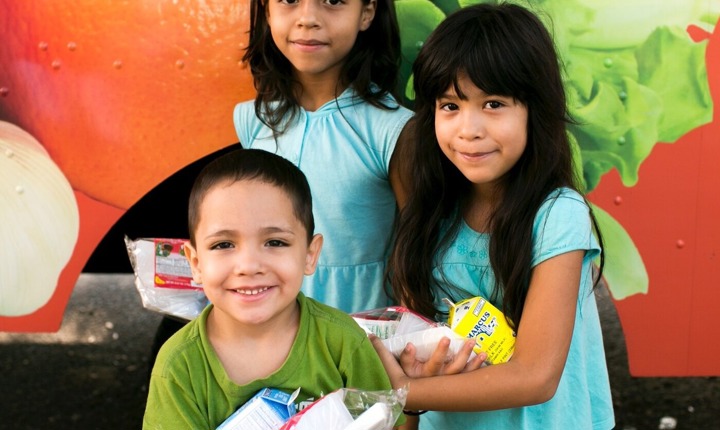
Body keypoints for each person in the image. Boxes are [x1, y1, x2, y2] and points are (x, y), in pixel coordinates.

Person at [370, 3, 615, 429]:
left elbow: (535, 377)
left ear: (534, 111)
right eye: (450, 105)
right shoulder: (430, 214)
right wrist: (404, 398)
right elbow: (413, 353)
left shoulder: (558, 215)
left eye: (494, 104)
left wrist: (400, 391)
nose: (468, 129)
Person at [143, 149, 397, 429]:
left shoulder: (342, 344)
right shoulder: (180, 367)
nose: (249, 266)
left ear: (310, 255)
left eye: (275, 242)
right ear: (196, 263)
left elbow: (386, 422)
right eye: (223, 245)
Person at [234, 0, 414, 313]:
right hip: (272, 331)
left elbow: (419, 251)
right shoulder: (253, 120)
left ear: (367, 12)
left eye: (333, 1)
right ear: (266, 10)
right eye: (289, 0)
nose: (307, 19)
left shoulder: (394, 130)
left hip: (359, 340)